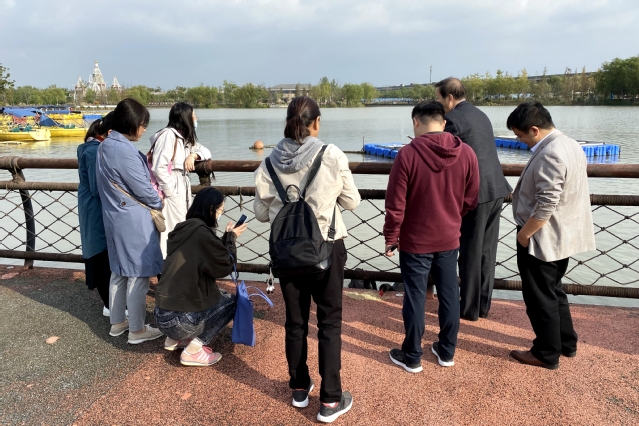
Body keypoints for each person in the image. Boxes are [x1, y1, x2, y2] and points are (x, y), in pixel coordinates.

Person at [254, 96, 360, 423]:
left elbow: (261, 213)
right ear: (316, 123)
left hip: (286, 252)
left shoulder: (268, 162)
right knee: (329, 323)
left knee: (295, 322)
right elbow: (352, 201)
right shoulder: (331, 154)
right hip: (326, 248)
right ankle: (330, 400)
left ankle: (299, 388)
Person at [384, 101, 479, 372]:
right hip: (449, 237)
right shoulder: (467, 153)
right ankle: (446, 352)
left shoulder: (407, 155)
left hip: (415, 241)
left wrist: (391, 236)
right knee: (449, 294)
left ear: (416, 122)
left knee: (415, 297)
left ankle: (412, 356)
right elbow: (471, 198)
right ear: (444, 122)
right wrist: (452, 216)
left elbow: (395, 204)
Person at [507, 102, 595, 369]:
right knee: (554, 291)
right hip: (562, 234)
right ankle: (566, 343)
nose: (520, 141)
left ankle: (546, 352)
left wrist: (524, 234)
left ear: (534, 130)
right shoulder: (570, 144)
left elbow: (547, 203)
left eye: (520, 136)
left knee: (539, 297)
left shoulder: (550, 153)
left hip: (542, 237)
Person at [435, 77, 512, 321]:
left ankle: (468, 308)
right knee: (487, 251)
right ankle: (483, 305)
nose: (438, 103)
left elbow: (442, 156)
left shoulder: (453, 120)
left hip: (475, 194)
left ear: (449, 97)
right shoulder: (481, 114)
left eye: (439, 98)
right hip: (496, 189)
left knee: (469, 252)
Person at [96, 98, 164, 344]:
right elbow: (144, 189)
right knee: (138, 274)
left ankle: (118, 322)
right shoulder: (123, 150)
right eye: (143, 125)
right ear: (131, 123)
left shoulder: (105, 145)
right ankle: (137, 329)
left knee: (119, 271)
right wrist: (159, 201)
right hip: (133, 219)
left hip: (114, 215)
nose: (144, 130)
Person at [154, 187, 247, 366]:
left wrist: (227, 238)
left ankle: (175, 340)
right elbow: (225, 265)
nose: (220, 214)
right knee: (233, 302)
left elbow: (206, 255)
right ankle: (194, 349)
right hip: (178, 322)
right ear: (211, 209)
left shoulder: (184, 229)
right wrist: (231, 239)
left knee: (220, 294)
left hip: (161, 316)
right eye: (220, 210)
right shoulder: (202, 233)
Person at [149, 102, 211, 259]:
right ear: (185, 117)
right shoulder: (169, 135)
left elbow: (206, 151)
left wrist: (193, 155)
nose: (196, 119)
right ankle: (167, 269)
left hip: (181, 188)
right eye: (193, 116)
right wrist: (172, 193)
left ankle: (177, 267)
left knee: (181, 229)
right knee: (170, 232)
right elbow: (159, 167)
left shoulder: (184, 138)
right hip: (171, 189)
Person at [77, 113, 112, 317]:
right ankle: (109, 304)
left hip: (92, 206)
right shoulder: (94, 151)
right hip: (95, 208)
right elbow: (96, 187)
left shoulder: (90, 148)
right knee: (101, 254)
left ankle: (110, 303)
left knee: (101, 253)